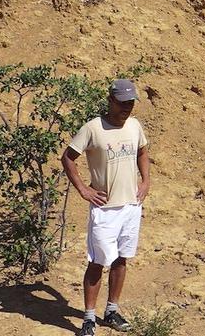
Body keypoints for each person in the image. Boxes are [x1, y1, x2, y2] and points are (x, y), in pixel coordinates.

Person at [61, 79, 151, 335]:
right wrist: (83, 189)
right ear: (111, 101)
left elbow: (142, 152)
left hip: (131, 205)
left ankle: (111, 311)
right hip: (105, 208)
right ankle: (89, 318)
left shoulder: (134, 126)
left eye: (131, 103)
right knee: (98, 262)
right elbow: (68, 157)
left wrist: (145, 181)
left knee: (122, 259)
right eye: (122, 103)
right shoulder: (93, 128)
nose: (127, 108)